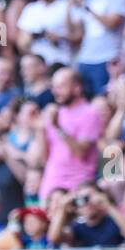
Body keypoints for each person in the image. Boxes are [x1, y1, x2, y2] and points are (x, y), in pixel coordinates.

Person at [35, 68, 103, 200]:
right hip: (51, 182)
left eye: (61, 86)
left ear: (77, 88)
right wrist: (40, 130)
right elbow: (44, 159)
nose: (55, 91)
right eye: (54, 87)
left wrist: (58, 128)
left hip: (77, 184)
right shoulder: (53, 113)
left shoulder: (89, 113)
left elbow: (80, 152)